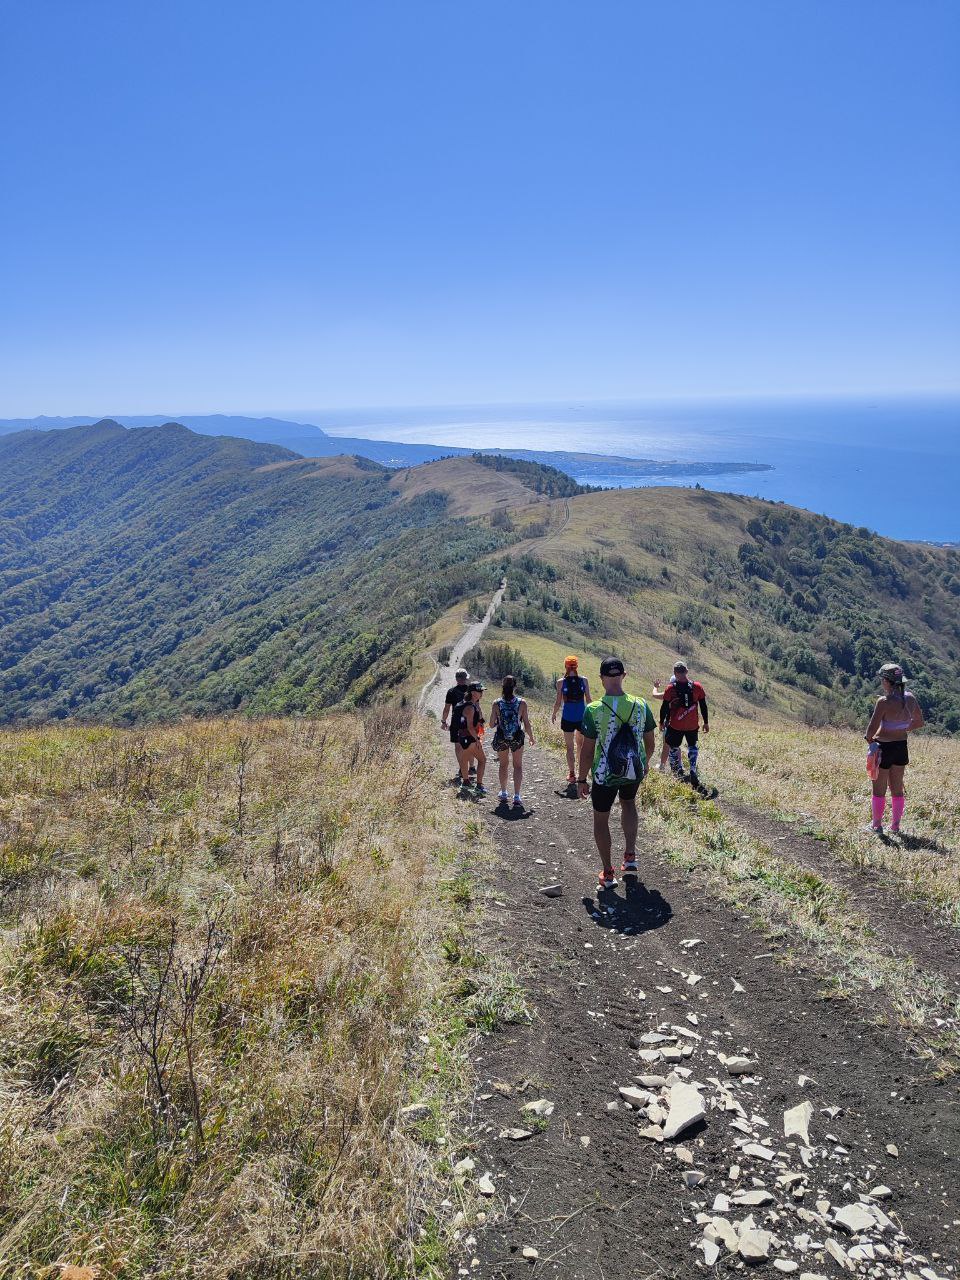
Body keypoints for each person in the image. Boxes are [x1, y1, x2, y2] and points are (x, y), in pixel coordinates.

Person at [576, 657, 656, 891]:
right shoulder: (641, 705)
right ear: (624, 676)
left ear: (601, 678)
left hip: (604, 774)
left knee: (601, 819)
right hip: (633, 770)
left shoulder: (593, 709)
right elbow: (650, 742)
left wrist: (581, 779)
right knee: (629, 804)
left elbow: (587, 751)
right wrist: (644, 762)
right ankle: (630, 856)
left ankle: (608, 872)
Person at [863, 662, 923, 834]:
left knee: (879, 790)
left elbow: (870, 732)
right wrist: (902, 728)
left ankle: (876, 826)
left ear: (887, 681)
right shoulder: (910, 699)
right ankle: (895, 826)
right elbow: (919, 722)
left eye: (882, 679)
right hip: (901, 747)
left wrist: (871, 740)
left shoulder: (883, 701)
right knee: (897, 789)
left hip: (884, 748)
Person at [659, 662, 709, 786]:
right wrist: (706, 722)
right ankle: (692, 769)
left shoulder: (670, 688)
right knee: (692, 746)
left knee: (673, 747)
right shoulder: (697, 686)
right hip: (692, 724)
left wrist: (661, 722)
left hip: (676, 724)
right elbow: (703, 705)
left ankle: (677, 771)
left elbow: (664, 707)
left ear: (675, 673)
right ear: (687, 671)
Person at [489, 675, 535, 808]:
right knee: (518, 766)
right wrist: (531, 737)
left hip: (501, 737)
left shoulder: (496, 703)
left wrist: (498, 721)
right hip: (517, 737)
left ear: (502, 687)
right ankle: (517, 796)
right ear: (515, 687)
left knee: (503, 765)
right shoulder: (522, 703)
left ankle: (504, 793)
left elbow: (491, 724)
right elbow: (526, 723)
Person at [551, 656, 590, 782]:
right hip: (582, 717)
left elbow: (558, 702)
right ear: (576, 666)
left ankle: (572, 774)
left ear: (565, 666)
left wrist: (554, 713)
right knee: (581, 745)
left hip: (567, 717)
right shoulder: (584, 680)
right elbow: (589, 700)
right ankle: (582, 773)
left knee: (569, 747)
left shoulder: (560, 682)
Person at [441, 668, 475, 780]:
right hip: (470, 721)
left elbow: (447, 709)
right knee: (469, 745)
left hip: (456, 722)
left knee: (458, 747)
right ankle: (471, 766)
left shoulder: (451, 692)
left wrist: (443, 721)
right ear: (466, 678)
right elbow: (477, 707)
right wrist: (479, 720)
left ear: (456, 679)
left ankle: (462, 768)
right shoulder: (472, 691)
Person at [457, 682, 487, 796]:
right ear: (473, 693)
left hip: (462, 738)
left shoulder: (465, 704)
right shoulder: (470, 707)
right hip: (470, 738)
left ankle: (465, 783)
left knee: (464, 760)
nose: (482, 693)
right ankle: (479, 786)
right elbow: (470, 726)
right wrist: (477, 739)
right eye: (480, 691)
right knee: (482, 760)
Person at [650, 674, 676, 771]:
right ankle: (678, 766)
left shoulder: (669, 693)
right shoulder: (687, 692)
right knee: (676, 745)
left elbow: (654, 694)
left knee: (666, 744)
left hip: (670, 722)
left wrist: (655, 687)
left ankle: (662, 766)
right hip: (683, 722)